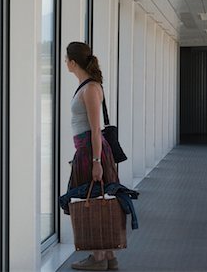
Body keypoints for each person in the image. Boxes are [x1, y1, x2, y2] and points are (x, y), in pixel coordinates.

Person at [65, 42, 120, 271]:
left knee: (94, 199)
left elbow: (95, 129)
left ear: (73, 62)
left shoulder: (89, 89)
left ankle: (98, 258)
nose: (65, 62)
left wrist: (96, 162)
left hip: (91, 150)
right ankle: (108, 255)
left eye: (66, 58)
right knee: (98, 197)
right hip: (88, 149)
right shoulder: (88, 86)